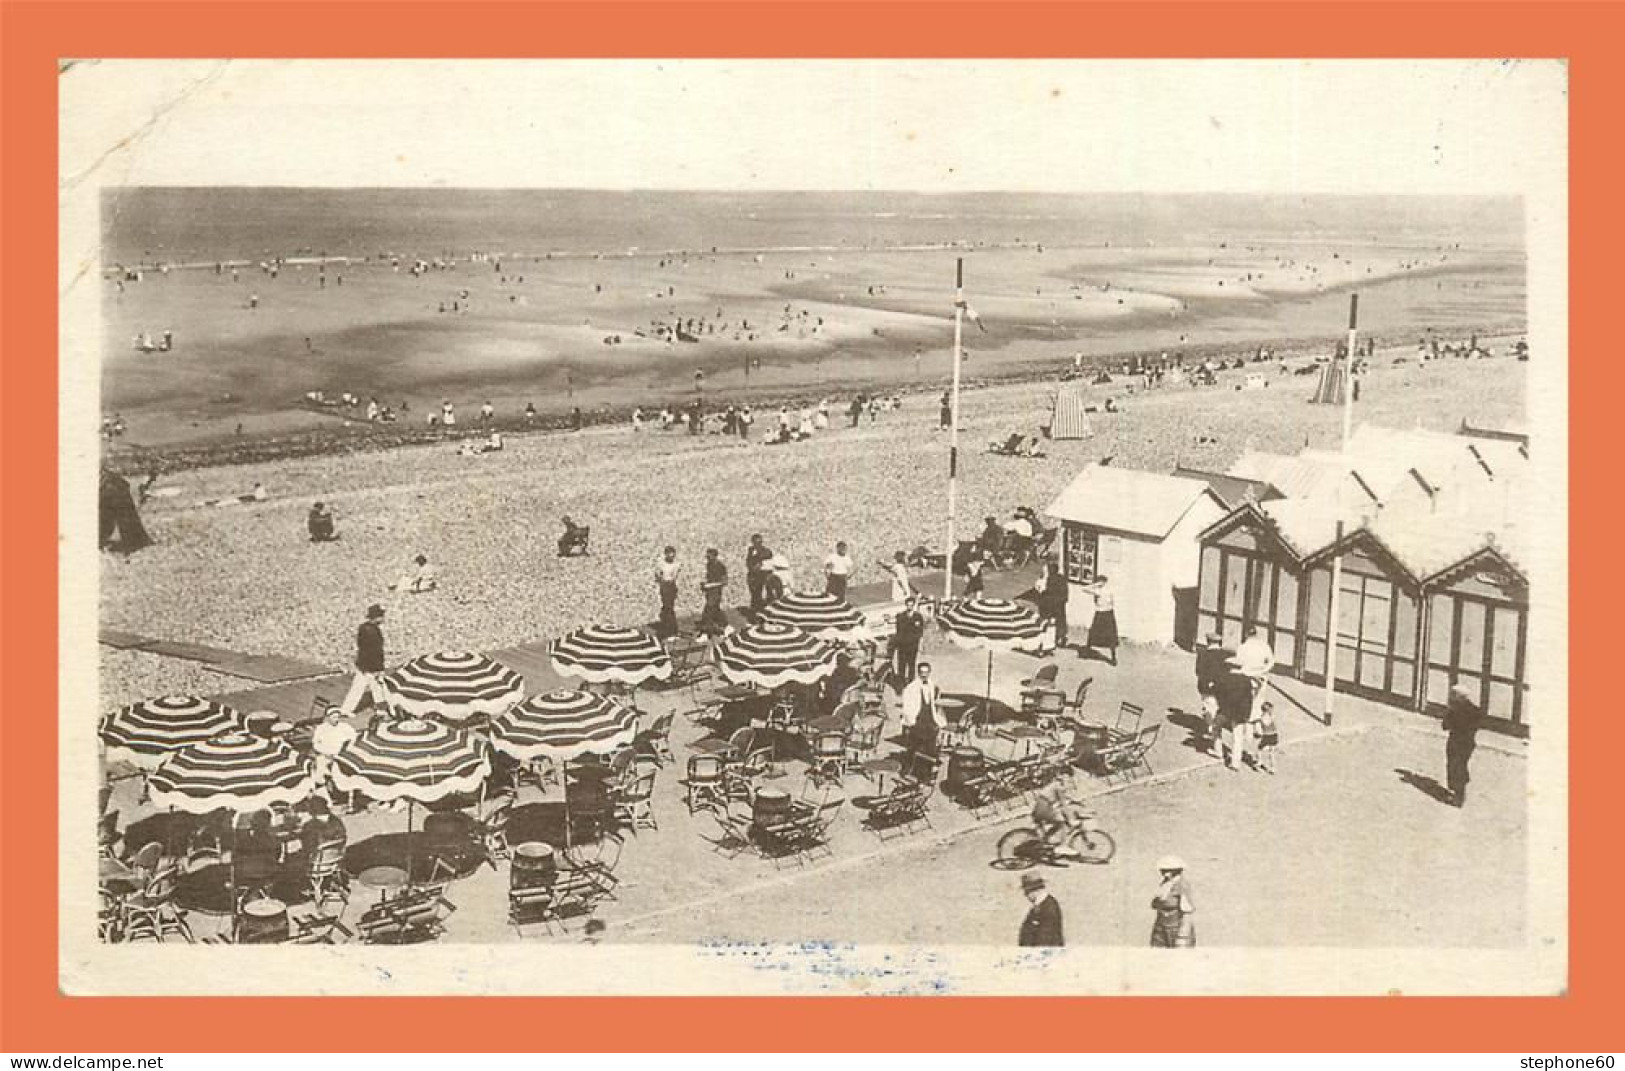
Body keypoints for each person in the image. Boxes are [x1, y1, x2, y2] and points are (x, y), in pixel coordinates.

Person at [339, 605, 387, 715]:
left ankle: (346, 709)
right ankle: (380, 709)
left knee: (365, 687)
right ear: (377, 617)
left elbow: (362, 648)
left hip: (364, 664)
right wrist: (377, 669)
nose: (383, 619)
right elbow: (374, 652)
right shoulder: (372, 631)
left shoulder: (364, 628)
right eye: (382, 616)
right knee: (375, 687)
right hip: (370, 666)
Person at [1442, 683, 1483, 807]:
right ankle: (1459, 793)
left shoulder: (1455, 710)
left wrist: (1448, 713)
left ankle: (1458, 797)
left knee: (1455, 767)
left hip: (1456, 742)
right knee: (1462, 765)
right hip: (1469, 743)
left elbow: (1445, 726)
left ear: (1458, 697)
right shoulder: (1475, 710)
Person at [310, 705, 357, 802]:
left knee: (345, 774)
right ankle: (326, 799)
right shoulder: (321, 728)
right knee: (319, 774)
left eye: (338, 717)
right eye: (333, 717)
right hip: (325, 755)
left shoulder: (345, 727)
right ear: (328, 717)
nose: (336, 719)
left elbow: (354, 739)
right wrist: (326, 752)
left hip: (341, 755)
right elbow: (316, 744)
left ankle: (350, 799)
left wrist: (345, 750)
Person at [1195, 631, 1229, 755]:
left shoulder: (1203, 654)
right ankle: (1215, 726)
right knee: (1216, 706)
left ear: (1208, 641)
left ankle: (1211, 728)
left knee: (1209, 707)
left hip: (1206, 686)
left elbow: (1198, 671)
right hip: (1220, 687)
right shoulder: (1224, 655)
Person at [1150, 856, 1196, 947]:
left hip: (1176, 929)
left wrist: (1182, 936)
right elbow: (1155, 904)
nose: (1164, 873)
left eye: (1167, 870)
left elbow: (1187, 913)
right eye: (1163, 870)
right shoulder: (1164, 885)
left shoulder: (1182, 886)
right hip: (1161, 928)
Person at [898, 660, 940, 757]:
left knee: (932, 741)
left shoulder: (932, 685)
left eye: (926, 672)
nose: (924, 675)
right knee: (917, 745)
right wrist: (910, 722)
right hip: (917, 720)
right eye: (922, 673)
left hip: (930, 719)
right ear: (918, 673)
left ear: (929, 673)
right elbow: (906, 708)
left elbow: (934, 705)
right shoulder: (910, 688)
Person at [1018, 873, 1064, 947]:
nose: (1025, 895)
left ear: (1034, 891)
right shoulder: (1040, 905)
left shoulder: (1049, 907)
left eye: (1026, 892)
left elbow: (1044, 939)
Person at [1084, 574, 1119, 665]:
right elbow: (1085, 589)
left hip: (1104, 614)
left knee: (1108, 635)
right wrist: (1096, 585)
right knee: (1096, 633)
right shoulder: (1101, 590)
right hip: (1105, 614)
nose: (1100, 583)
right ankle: (1088, 651)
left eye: (1101, 581)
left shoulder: (1101, 591)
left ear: (1104, 582)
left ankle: (1113, 658)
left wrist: (1095, 585)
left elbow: (1085, 589)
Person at [891, 597, 925, 685]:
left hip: (913, 645)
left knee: (911, 664)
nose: (909, 607)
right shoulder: (901, 616)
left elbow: (920, 632)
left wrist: (920, 644)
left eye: (911, 605)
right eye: (908, 605)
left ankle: (911, 682)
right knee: (901, 664)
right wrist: (897, 643)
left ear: (914, 605)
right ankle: (901, 682)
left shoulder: (918, 616)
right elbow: (898, 631)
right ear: (906, 605)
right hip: (902, 645)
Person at [1039, 559, 1071, 654]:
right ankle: (1061, 637)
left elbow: (1047, 592)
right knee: (1061, 621)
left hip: (1052, 604)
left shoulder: (1050, 579)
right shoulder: (1062, 578)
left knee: (1050, 622)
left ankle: (1052, 640)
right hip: (1060, 604)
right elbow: (1065, 591)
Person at [698, 548, 729, 636]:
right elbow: (709, 577)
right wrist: (705, 584)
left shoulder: (721, 566)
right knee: (715, 609)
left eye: (709, 556)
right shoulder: (709, 565)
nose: (707, 558)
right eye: (707, 556)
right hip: (709, 592)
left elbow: (724, 582)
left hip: (716, 592)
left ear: (715, 556)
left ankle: (706, 633)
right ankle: (726, 627)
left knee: (708, 611)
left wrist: (710, 585)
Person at [821, 651, 861, 716]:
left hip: (839, 698)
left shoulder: (838, 671)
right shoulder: (851, 671)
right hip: (844, 697)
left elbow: (831, 686)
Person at [654, 546, 682, 639]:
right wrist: (661, 579)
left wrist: (666, 580)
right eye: (669, 553)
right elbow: (657, 574)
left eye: (673, 554)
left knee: (669, 608)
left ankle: (671, 630)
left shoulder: (676, 564)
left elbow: (674, 577)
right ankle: (668, 629)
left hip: (671, 587)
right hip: (664, 587)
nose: (671, 556)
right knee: (666, 608)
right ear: (666, 554)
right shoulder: (661, 563)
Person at [745, 534, 774, 614]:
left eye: (759, 543)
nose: (757, 545)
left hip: (763, 576)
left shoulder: (766, 551)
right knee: (755, 595)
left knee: (768, 595)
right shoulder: (751, 551)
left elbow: (770, 564)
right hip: (753, 577)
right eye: (755, 543)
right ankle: (755, 611)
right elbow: (749, 563)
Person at [1255, 701, 1279, 774]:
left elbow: (1260, 729)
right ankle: (1273, 768)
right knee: (1271, 752)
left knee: (1259, 749)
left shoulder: (1262, 718)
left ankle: (1259, 762)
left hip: (1266, 735)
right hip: (1274, 735)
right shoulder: (1272, 716)